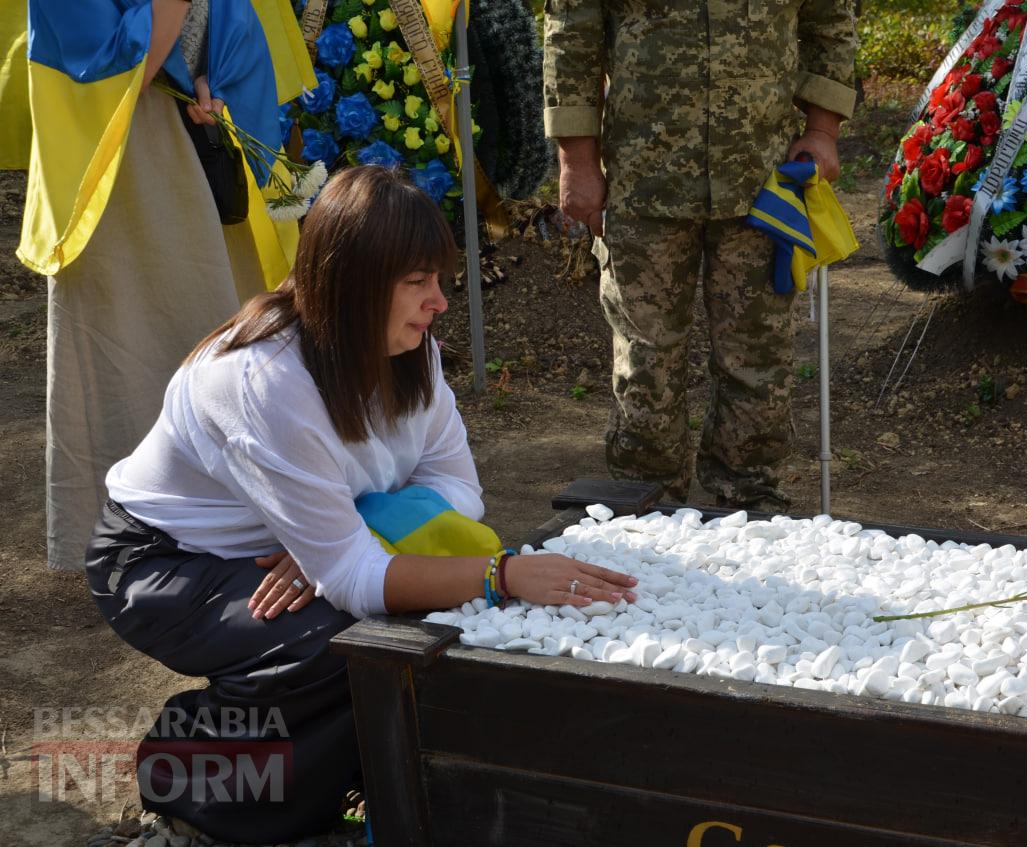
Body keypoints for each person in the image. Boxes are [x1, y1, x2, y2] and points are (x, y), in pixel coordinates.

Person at [85, 165, 638, 843]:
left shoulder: (414, 355)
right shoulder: (264, 380)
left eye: (440, 278)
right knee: (342, 639)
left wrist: (356, 532)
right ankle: (190, 787)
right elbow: (355, 578)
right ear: (353, 282)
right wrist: (501, 575)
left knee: (406, 619)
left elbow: (458, 490)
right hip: (161, 563)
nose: (440, 300)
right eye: (417, 282)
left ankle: (322, 791)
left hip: (292, 551)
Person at [21, 0, 310, 570]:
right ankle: (134, 541)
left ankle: (234, 525)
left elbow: (224, 18)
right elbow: (97, 61)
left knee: (222, 332)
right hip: (121, 165)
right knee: (134, 342)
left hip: (199, 142)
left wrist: (214, 77)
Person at [543, 0, 859, 511]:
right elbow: (572, 31)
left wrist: (822, 130)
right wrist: (577, 160)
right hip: (645, 178)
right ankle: (644, 504)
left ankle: (750, 496)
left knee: (756, 351)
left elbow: (830, 20)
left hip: (761, 178)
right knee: (647, 358)